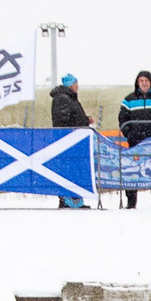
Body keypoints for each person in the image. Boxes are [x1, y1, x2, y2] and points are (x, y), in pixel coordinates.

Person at [117, 70, 151, 210]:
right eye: (141, 81)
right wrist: (129, 134)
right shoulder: (129, 99)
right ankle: (131, 202)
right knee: (132, 169)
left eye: (146, 80)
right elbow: (122, 119)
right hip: (135, 142)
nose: (144, 83)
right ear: (137, 83)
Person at [50, 76, 89, 209]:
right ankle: (67, 199)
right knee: (68, 169)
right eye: (76, 83)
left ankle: (73, 199)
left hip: (73, 139)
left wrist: (84, 120)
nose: (77, 86)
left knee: (73, 169)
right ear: (70, 85)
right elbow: (63, 119)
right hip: (69, 140)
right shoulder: (62, 98)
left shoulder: (68, 98)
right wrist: (80, 123)